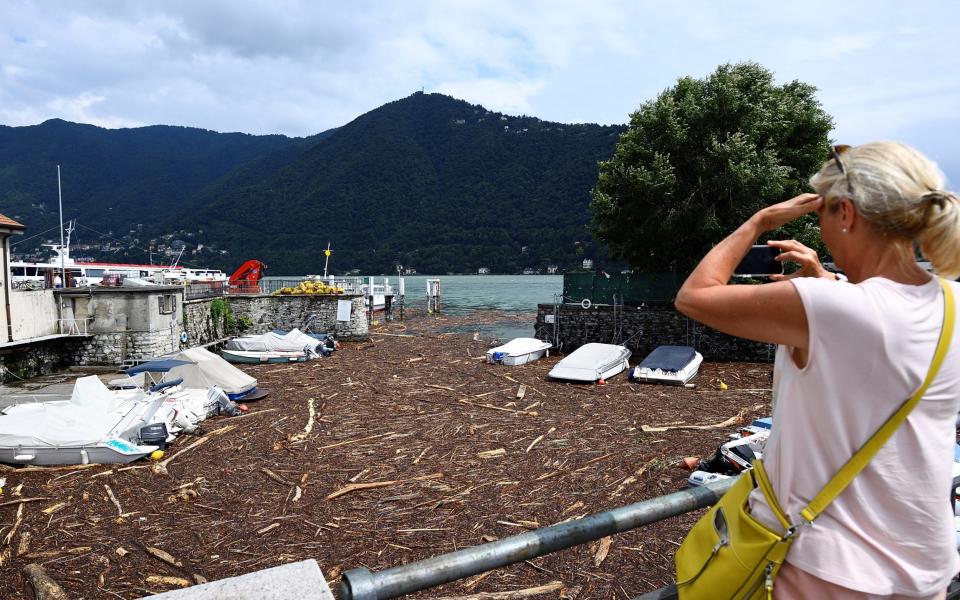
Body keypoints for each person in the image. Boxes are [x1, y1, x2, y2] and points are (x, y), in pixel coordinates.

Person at [675, 141, 960, 599]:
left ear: (845, 213)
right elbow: (883, 337)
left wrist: (759, 222)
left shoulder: (831, 308)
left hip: (830, 571)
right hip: (925, 565)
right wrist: (826, 282)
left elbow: (694, 296)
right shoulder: (951, 302)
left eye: (825, 215)